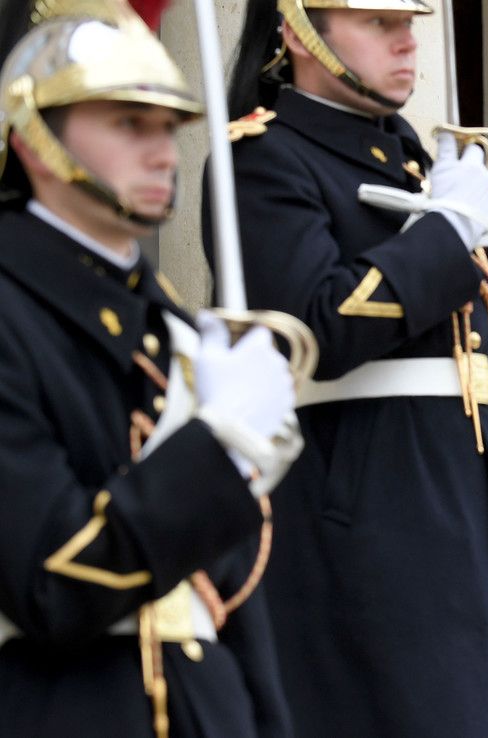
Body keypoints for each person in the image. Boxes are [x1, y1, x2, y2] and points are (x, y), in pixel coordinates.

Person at [204, 1, 488, 735]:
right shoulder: (260, 159)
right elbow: (318, 324)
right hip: (374, 524)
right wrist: (445, 233)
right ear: (299, 31)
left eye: (408, 23)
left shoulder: (418, 164)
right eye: (377, 23)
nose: (406, 42)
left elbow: (477, 374)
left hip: (473, 519)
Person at [0, 2, 302, 736]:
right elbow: (52, 581)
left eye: (169, 127)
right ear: (35, 138)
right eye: (129, 124)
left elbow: (235, 602)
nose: (164, 153)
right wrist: (215, 447)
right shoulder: (13, 311)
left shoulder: (176, 330)